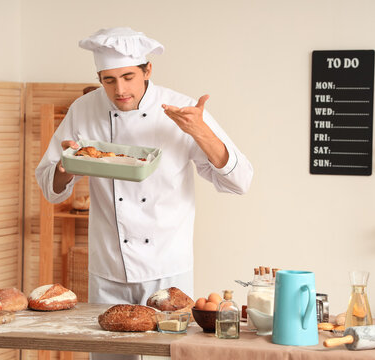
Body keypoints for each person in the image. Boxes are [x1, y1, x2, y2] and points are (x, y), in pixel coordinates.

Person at [36, 27, 253, 359]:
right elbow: (49, 185)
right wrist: (69, 165)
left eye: (127, 77)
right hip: (108, 269)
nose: (119, 90)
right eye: (108, 80)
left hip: (167, 268)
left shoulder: (181, 109)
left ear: (147, 70)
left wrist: (200, 130)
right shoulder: (83, 109)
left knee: (164, 355)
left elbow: (240, 180)